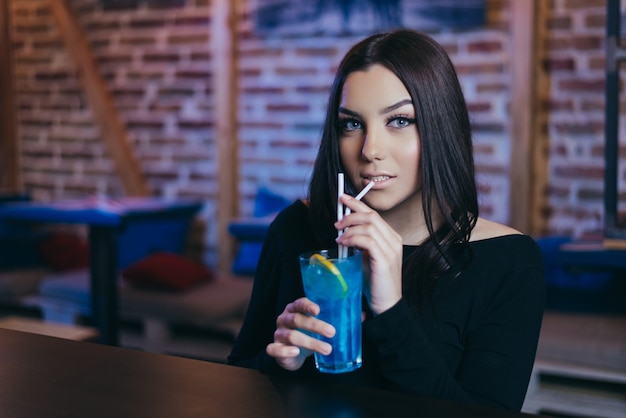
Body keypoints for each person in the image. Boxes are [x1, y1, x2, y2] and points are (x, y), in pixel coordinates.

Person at [227, 29, 545, 412]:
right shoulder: (295, 228)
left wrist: (391, 310)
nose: (370, 150)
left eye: (398, 120)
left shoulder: (508, 263)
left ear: (441, 126)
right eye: (351, 124)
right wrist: (280, 363)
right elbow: (236, 382)